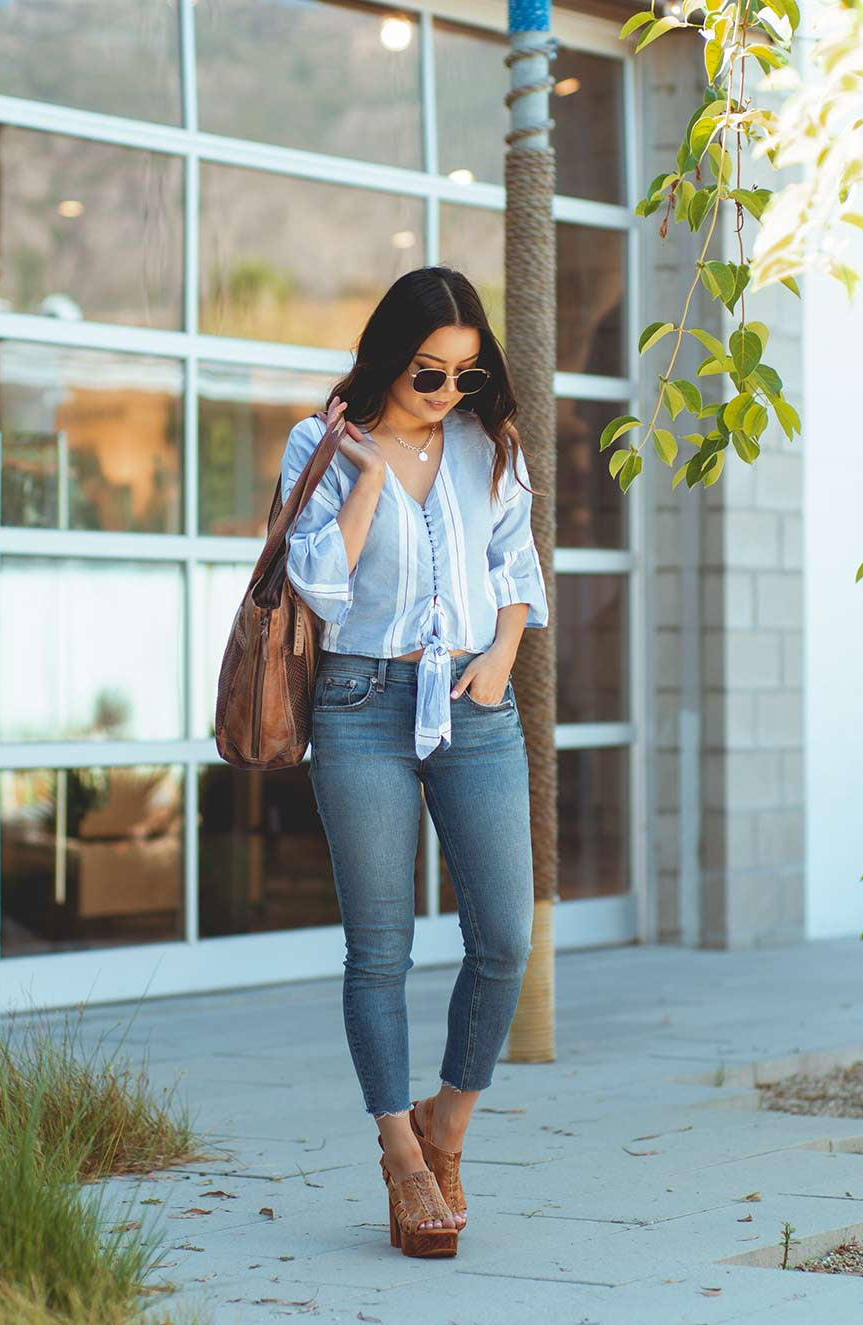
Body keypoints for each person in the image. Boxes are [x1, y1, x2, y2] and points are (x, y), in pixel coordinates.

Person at [277, 266, 549, 1258]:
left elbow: (514, 566)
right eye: (428, 375)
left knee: (503, 939)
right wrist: (372, 479)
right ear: (390, 356)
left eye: (465, 379)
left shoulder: (490, 444)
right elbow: (317, 579)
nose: (446, 396)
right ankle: (400, 1152)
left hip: (475, 706)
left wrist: (501, 656)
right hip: (360, 704)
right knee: (378, 950)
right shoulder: (320, 444)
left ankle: (449, 1125)